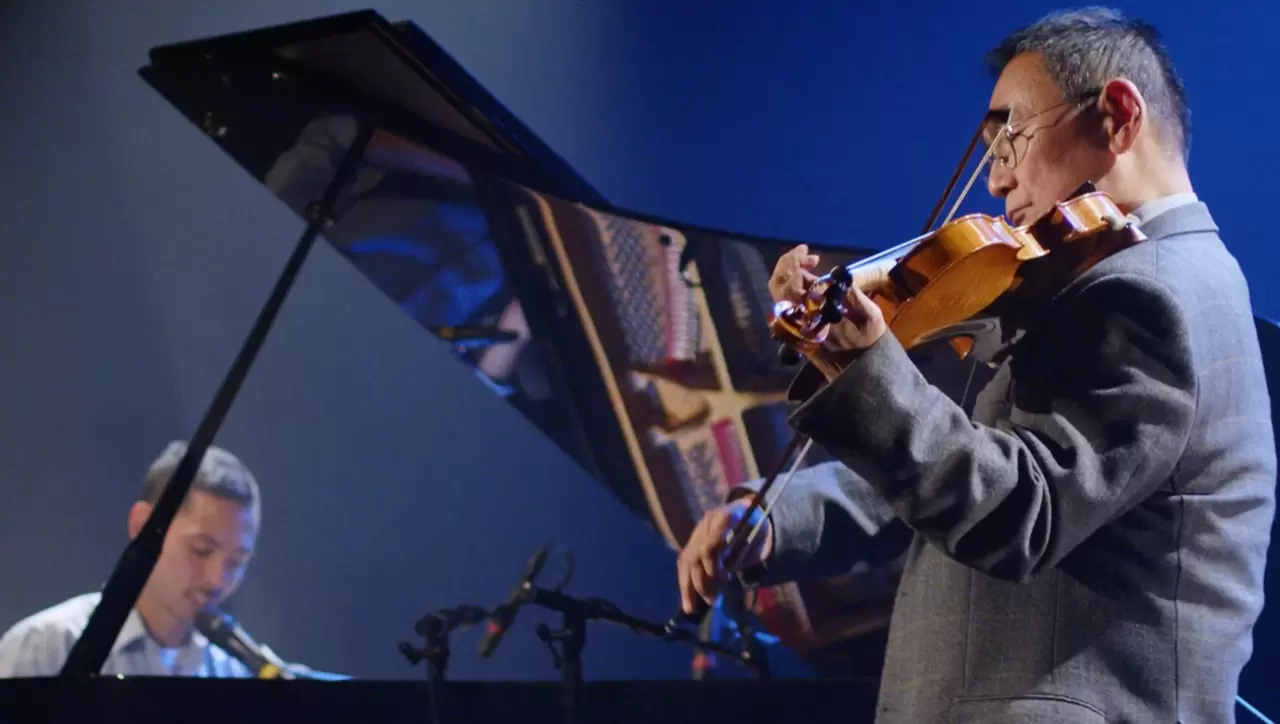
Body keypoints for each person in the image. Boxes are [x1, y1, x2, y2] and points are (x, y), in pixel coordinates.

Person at [677, 8, 1276, 724]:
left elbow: (1023, 508)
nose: (996, 182)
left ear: (1116, 116)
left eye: (1011, 138)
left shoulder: (1150, 292)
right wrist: (782, 518)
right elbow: (974, 463)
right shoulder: (1125, 282)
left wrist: (868, 365)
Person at [0, 441, 283, 677]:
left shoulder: (232, 671)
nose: (217, 579)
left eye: (236, 561)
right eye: (201, 550)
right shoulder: (47, 647)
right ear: (143, 526)